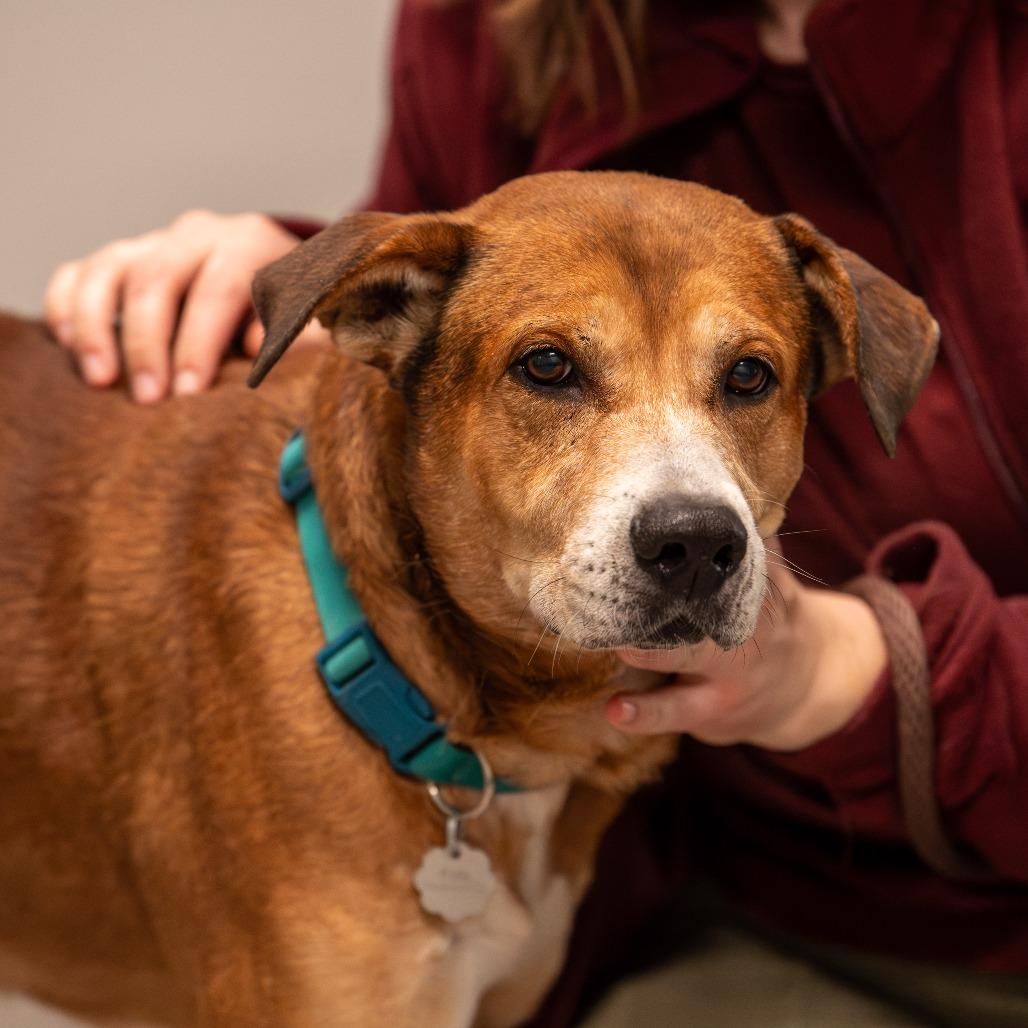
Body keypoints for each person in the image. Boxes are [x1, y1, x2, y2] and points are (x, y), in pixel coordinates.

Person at [43, 0, 1028, 1024]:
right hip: (708, 884)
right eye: (553, 367)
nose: (681, 504)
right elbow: (459, 299)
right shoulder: (499, 19)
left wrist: (850, 664)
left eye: (740, 377)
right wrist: (302, 259)